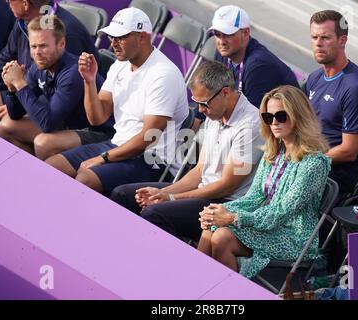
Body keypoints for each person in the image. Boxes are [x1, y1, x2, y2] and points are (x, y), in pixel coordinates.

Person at [110, 61, 264, 241]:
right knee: (122, 195)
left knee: (154, 214)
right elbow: (199, 171)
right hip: (205, 192)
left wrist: (172, 197)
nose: (200, 110)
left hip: (227, 204)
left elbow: (226, 186)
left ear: (224, 92)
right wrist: (163, 193)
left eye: (204, 103)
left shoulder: (250, 125)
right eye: (197, 103)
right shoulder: (215, 113)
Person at [45, 7, 188, 196]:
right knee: (51, 167)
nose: (113, 44)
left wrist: (103, 158)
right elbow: (97, 118)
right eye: (112, 37)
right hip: (117, 145)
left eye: (120, 37)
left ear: (143, 37)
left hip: (152, 159)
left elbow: (149, 136)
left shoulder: (164, 75)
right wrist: (89, 81)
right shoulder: (120, 64)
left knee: (84, 179)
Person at [197, 85, 331, 279]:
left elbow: (281, 212)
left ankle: (228, 294)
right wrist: (217, 211)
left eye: (281, 117)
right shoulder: (273, 153)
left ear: (298, 116)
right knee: (210, 225)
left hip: (294, 238)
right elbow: (254, 197)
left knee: (222, 237)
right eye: (268, 118)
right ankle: (196, 285)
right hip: (268, 225)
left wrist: (233, 217)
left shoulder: (313, 163)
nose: (274, 123)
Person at [0, 15, 113, 160]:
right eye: (33, 46)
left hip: (99, 131)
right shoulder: (38, 66)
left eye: (43, 46)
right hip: (66, 123)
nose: (37, 52)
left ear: (62, 44)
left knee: (44, 143)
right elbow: (15, 114)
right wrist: (12, 89)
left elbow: (48, 124)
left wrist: (20, 83)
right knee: (5, 128)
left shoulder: (73, 73)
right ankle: (29, 170)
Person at [305, 10, 358, 194]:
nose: (318, 43)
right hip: (311, 164)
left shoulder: (356, 87)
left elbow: (349, 151)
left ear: (342, 40)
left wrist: (306, 163)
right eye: (314, 37)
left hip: (336, 178)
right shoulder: (314, 78)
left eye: (325, 38)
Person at [194, 5, 299, 123]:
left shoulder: (258, 65)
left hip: (285, 129)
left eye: (228, 34)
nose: (221, 41)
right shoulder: (222, 54)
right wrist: (186, 136)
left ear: (246, 33)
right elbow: (209, 97)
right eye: (217, 34)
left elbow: (250, 119)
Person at [0, 0, 99, 121]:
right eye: (34, 46)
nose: (6, 2)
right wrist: (15, 91)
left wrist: (22, 95)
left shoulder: (68, 33)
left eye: (9, 0)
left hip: (68, 112)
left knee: (7, 126)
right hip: (31, 90)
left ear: (25, 4)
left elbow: (65, 91)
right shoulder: (23, 21)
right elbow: (5, 59)